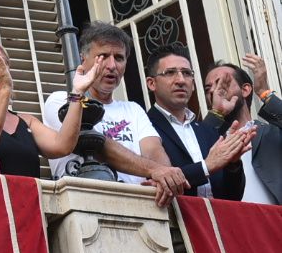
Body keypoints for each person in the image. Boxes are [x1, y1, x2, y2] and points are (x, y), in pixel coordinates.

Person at [38, 22, 247, 205]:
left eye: (119, 58)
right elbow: (97, 143)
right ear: (83, 59)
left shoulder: (133, 109)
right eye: (103, 56)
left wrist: (164, 175)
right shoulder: (63, 100)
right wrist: (155, 171)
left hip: (144, 209)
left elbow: (155, 152)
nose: (112, 66)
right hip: (87, 204)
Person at [0, 42, 96, 177]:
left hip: (27, 205)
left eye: (2, 62)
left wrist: (77, 93)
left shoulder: (26, 121)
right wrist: (5, 88)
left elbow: (62, 146)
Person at [143, 44, 247, 200]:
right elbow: (162, 184)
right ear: (152, 83)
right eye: (170, 73)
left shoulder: (206, 130)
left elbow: (233, 197)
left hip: (219, 221)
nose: (180, 80)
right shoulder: (144, 127)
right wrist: (206, 166)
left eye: (186, 73)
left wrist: (233, 163)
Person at [204, 55, 282, 205]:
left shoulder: (272, 133)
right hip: (232, 225)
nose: (214, 91)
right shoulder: (211, 139)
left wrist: (265, 93)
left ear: (245, 90)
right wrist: (216, 113)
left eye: (223, 84)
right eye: (208, 89)